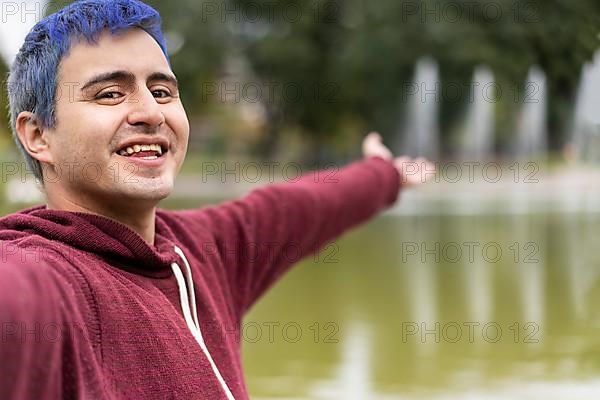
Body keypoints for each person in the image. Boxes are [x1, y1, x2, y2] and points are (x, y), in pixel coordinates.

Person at [0, 0, 431, 399]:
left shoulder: (203, 252)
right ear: (38, 136)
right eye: (110, 93)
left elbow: (300, 208)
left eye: (163, 91)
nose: (151, 112)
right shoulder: (49, 279)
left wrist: (383, 175)